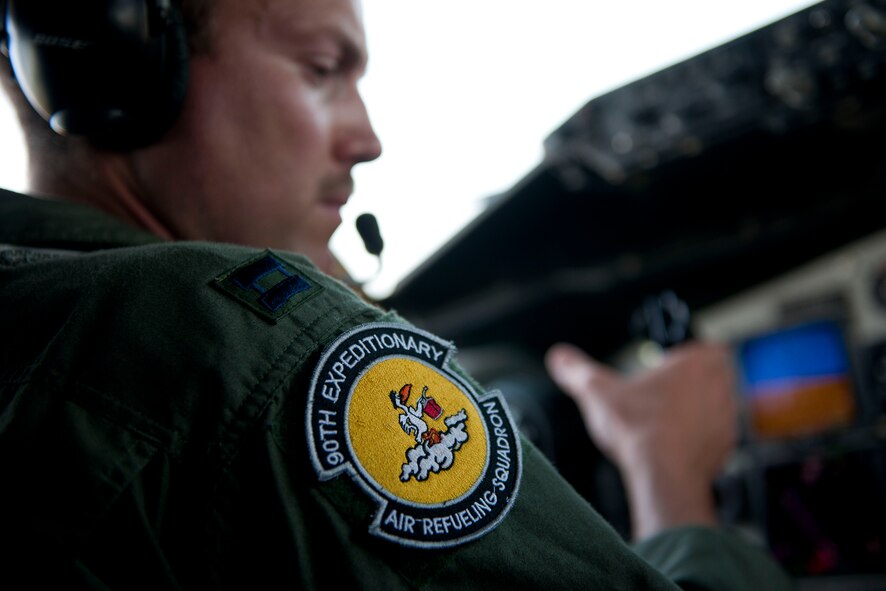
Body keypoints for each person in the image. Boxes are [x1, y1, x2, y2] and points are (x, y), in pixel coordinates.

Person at [0, 0, 793, 589]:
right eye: (321, 69)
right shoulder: (242, 339)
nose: (368, 137)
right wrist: (672, 481)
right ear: (110, 61)